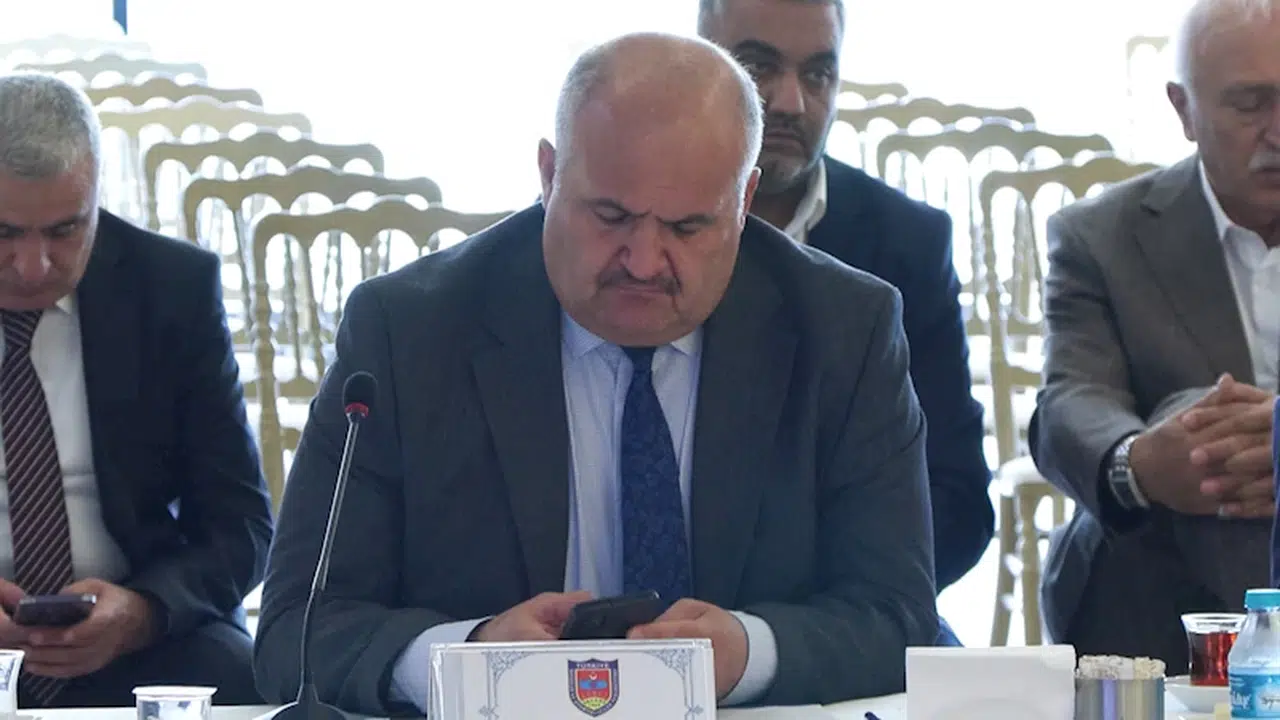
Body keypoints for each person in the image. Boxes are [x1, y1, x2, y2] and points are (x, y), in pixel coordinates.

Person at [255, 31, 936, 716]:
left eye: (688, 228)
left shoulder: (844, 329)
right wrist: (472, 658)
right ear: (549, 175)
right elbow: (296, 632)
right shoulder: (408, 332)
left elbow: (896, 614)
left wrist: (747, 652)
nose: (643, 260)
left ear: (745, 198)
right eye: (612, 216)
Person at [697, 0, 991, 643]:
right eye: (758, 67)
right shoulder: (627, 237)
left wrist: (809, 625)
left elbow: (959, 496)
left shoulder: (907, 244)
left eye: (818, 74)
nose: (791, 102)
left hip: (850, 626)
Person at [0, 73, 273, 707]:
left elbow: (242, 526)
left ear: (98, 194)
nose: (34, 266)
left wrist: (144, 611)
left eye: (65, 230)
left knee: (248, 679)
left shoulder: (170, 289)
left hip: (135, 627)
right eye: (3, 233)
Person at [1032, 0, 1280, 671]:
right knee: (1187, 422)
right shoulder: (1100, 236)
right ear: (1184, 109)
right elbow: (1072, 400)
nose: (1278, 131)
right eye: (1251, 104)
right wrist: (1139, 463)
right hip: (1155, 567)